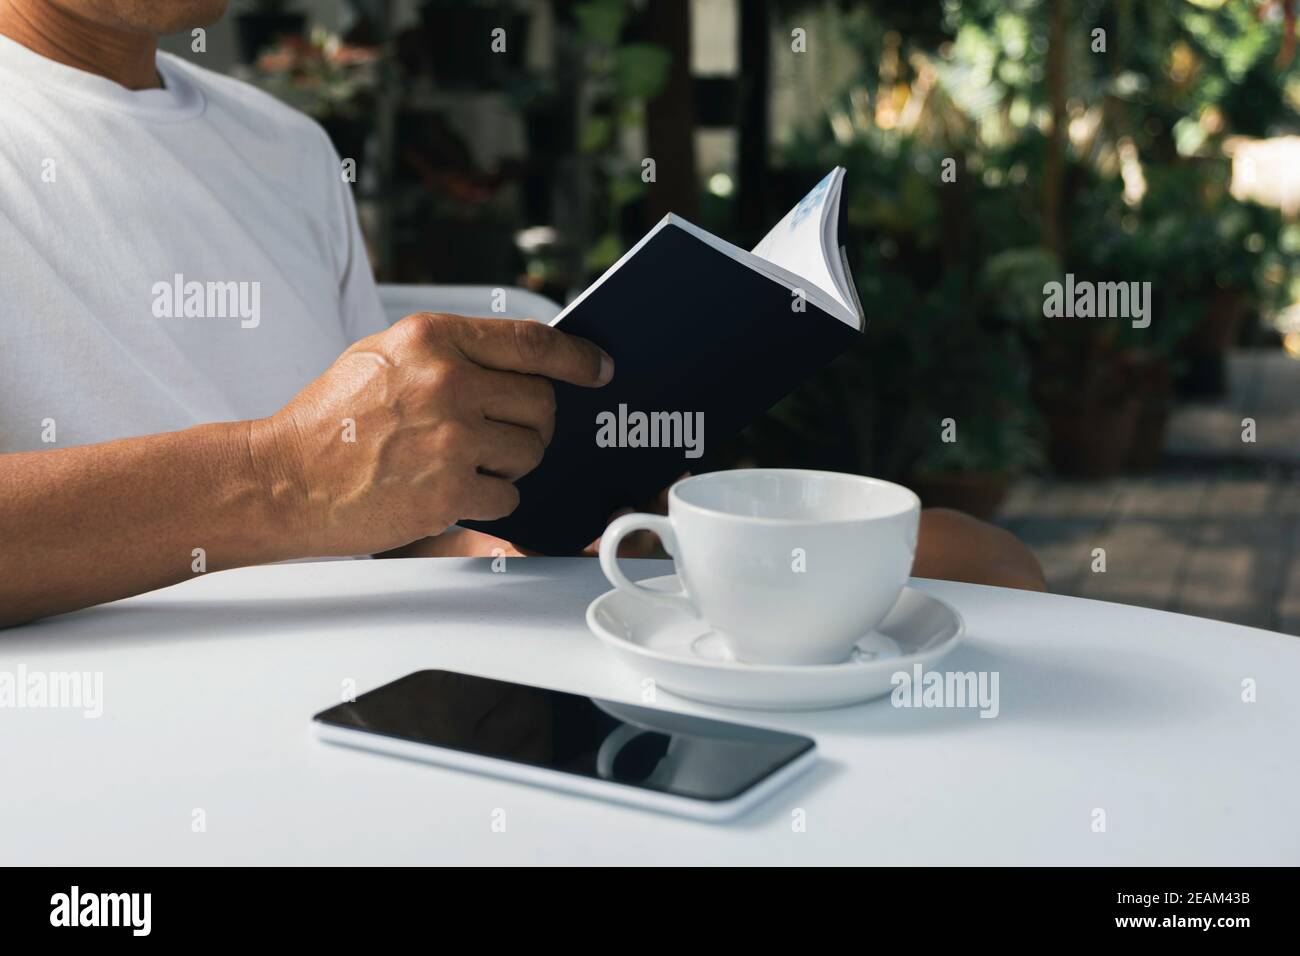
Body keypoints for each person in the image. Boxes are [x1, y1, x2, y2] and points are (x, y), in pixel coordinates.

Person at [0, 0, 1045, 629]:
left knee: (971, 559)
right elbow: (315, 483)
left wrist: (502, 521)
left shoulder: (284, 147)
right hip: (149, 713)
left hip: (389, 637)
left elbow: (379, 524)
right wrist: (292, 475)